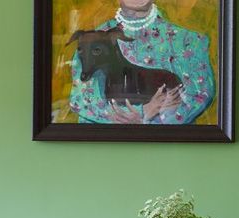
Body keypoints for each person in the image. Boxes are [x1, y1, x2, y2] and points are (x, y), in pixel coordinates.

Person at [68, 0, 216, 125]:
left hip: (170, 147)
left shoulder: (189, 41)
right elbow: (81, 101)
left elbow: (199, 95)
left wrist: (149, 120)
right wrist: (144, 112)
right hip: (105, 147)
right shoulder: (90, 40)